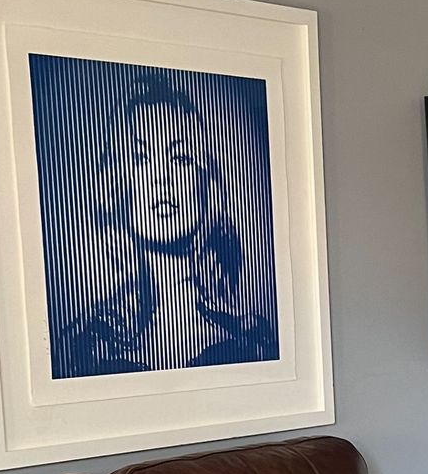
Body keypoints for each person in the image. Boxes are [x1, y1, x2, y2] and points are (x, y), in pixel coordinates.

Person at [55, 72, 277, 376]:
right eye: (140, 158)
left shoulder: (251, 339)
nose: (162, 177)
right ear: (118, 185)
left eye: (180, 158)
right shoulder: (84, 345)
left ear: (205, 181)